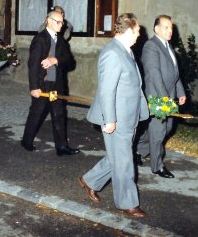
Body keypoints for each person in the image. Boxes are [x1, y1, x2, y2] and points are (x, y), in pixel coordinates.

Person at [78, 13, 149, 218]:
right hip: (117, 117)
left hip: (129, 115)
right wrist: (109, 119)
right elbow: (106, 89)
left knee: (118, 156)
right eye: (136, 31)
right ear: (127, 31)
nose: (138, 35)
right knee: (125, 159)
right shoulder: (112, 53)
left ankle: (89, 180)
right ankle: (127, 203)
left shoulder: (125, 50)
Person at [21, 10, 79, 156]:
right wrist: (34, 87)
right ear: (49, 21)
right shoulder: (40, 39)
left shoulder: (61, 40)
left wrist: (56, 60)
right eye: (59, 22)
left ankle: (62, 147)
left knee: (58, 114)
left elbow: (70, 62)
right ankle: (26, 141)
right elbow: (33, 64)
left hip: (56, 86)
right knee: (37, 113)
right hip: (43, 85)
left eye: (62, 22)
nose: (62, 25)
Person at [136, 15, 186, 178]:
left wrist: (180, 92)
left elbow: (175, 73)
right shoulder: (151, 46)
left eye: (171, 28)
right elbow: (154, 74)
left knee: (168, 127)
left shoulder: (167, 46)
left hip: (168, 94)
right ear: (157, 29)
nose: (170, 30)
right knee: (158, 132)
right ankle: (157, 166)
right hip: (157, 95)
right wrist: (165, 98)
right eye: (166, 27)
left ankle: (137, 150)